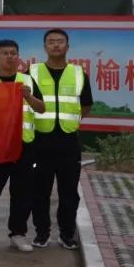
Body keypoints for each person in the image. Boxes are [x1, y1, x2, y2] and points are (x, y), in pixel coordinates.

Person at [29, 28, 93, 250]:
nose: (55, 45)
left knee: (69, 193)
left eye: (60, 41)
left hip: (68, 142)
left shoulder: (78, 74)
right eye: (51, 41)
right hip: (40, 141)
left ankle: (66, 234)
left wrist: (72, 121)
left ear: (67, 46)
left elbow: (86, 105)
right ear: (44, 46)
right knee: (40, 191)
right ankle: (42, 233)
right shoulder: (33, 72)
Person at [0, 39, 45, 253]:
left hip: (25, 146)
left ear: (18, 57)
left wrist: (29, 96)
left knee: (22, 193)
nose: (10, 57)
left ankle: (18, 234)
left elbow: (42, 108)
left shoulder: (27, 80)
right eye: (5, 53)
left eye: (13, 53)